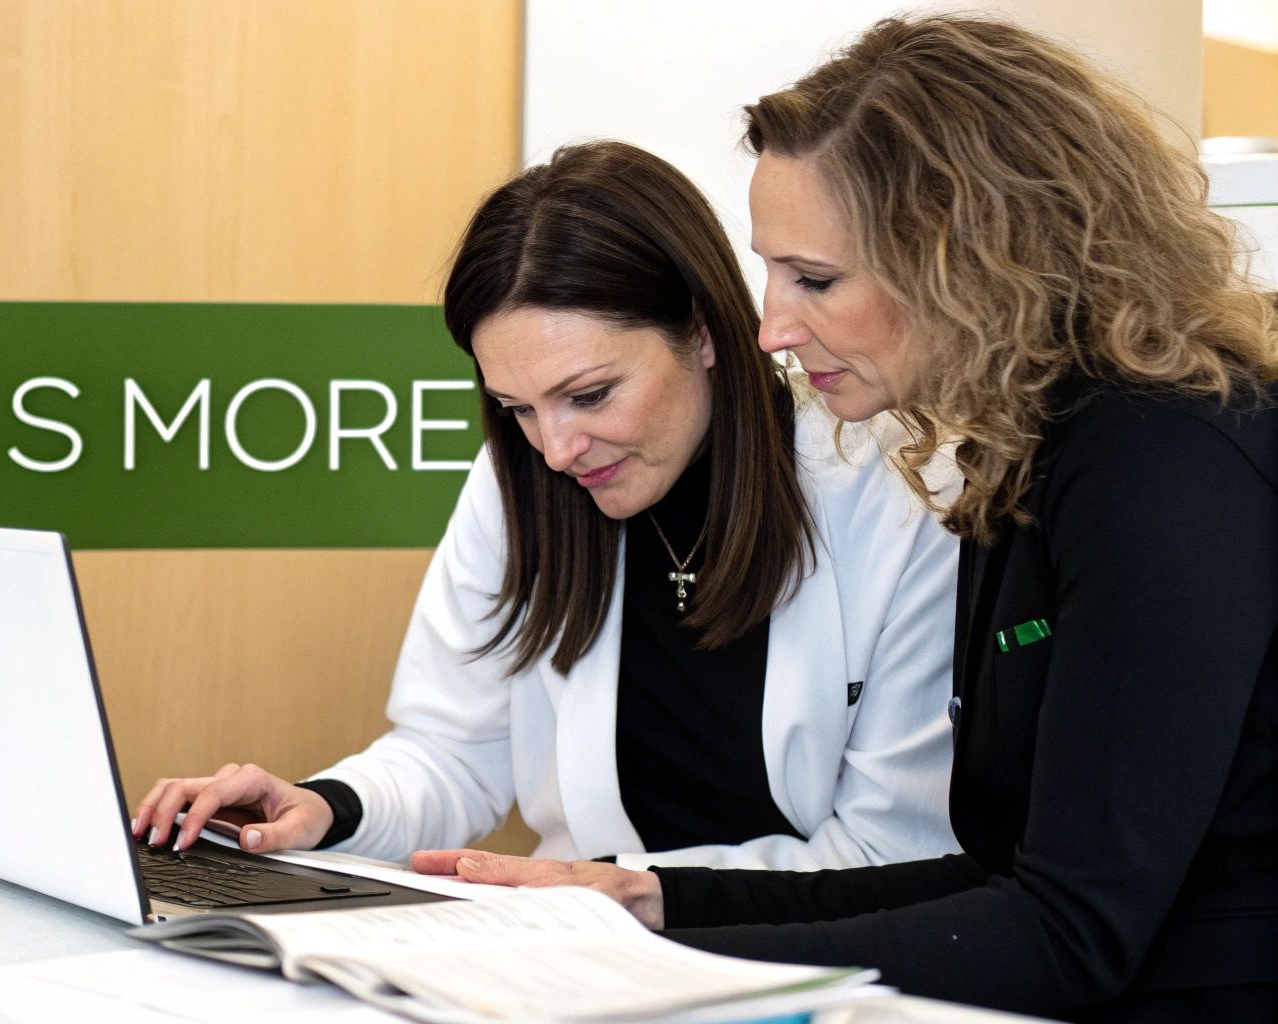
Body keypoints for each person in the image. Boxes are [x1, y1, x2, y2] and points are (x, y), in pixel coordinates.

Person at [412, 15, 1278, 1021]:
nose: (771, 326)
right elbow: (997, 880)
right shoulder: (1031, 452)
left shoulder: (1159, 459)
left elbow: (1068, 931)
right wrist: (645, 899)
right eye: (770, 272)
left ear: (971, 255)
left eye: (814, 279)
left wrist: (658, 960)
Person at [133, 140, 963, 875]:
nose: (558, 449)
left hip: (815, 976)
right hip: (575, 960)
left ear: (704, 332)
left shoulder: (900, 494)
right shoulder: (521, 480)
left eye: (591, 394)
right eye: (519, 408)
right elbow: (452, 754)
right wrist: (325, 808)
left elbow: (891, 852)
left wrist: (631, 894)